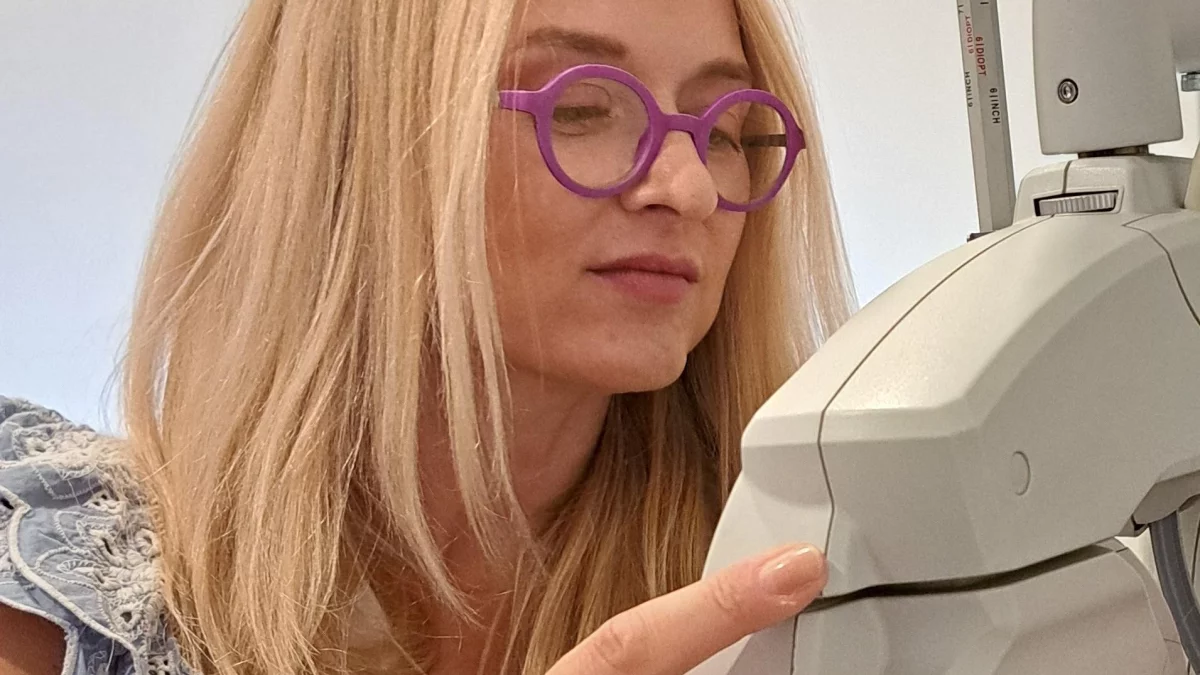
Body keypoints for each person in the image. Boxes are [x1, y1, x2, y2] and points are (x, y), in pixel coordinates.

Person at [0, 0, 854, 671]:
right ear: (357, 139)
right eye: (581, 108)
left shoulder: (817, 593)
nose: (690, 188)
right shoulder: (56, 602)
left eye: (723, 129)